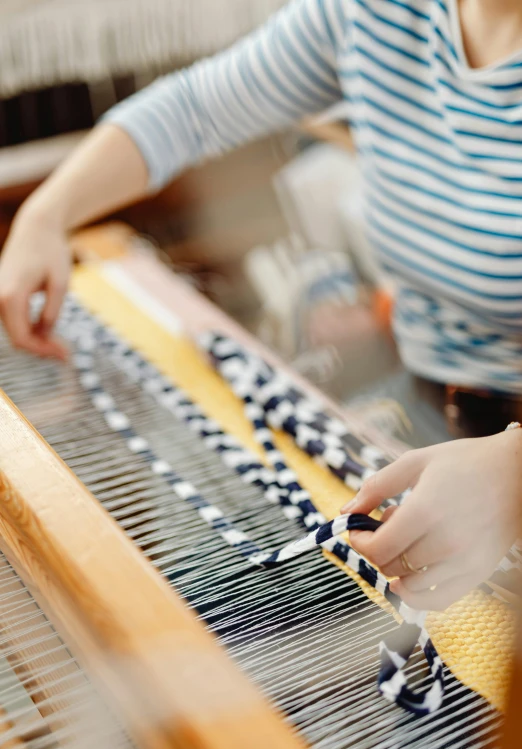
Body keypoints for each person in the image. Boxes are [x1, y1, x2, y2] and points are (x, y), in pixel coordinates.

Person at [1, 0, 521, 611]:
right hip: (429, 415)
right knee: (173, 609)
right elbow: (193, 110)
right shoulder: (378, 12)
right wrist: (44, 216)